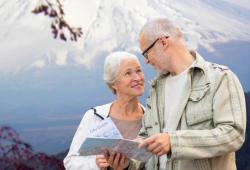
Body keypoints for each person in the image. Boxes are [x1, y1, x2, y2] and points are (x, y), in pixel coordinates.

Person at [136, 18, 246, 170]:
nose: (146, 62)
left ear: (162, 42)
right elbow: (146, 139)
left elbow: (233, 135)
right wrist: (127, 162)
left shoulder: (220, 78)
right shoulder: (156, 89)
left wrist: (174, 142)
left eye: (146, 54)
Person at [64, 51, 145, 170]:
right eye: (128, 73)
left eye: (138, 70)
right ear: (114, 84)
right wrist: (95, 165)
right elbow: (70, 162)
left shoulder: (152, 118)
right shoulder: (94, 116)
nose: (137, 78)